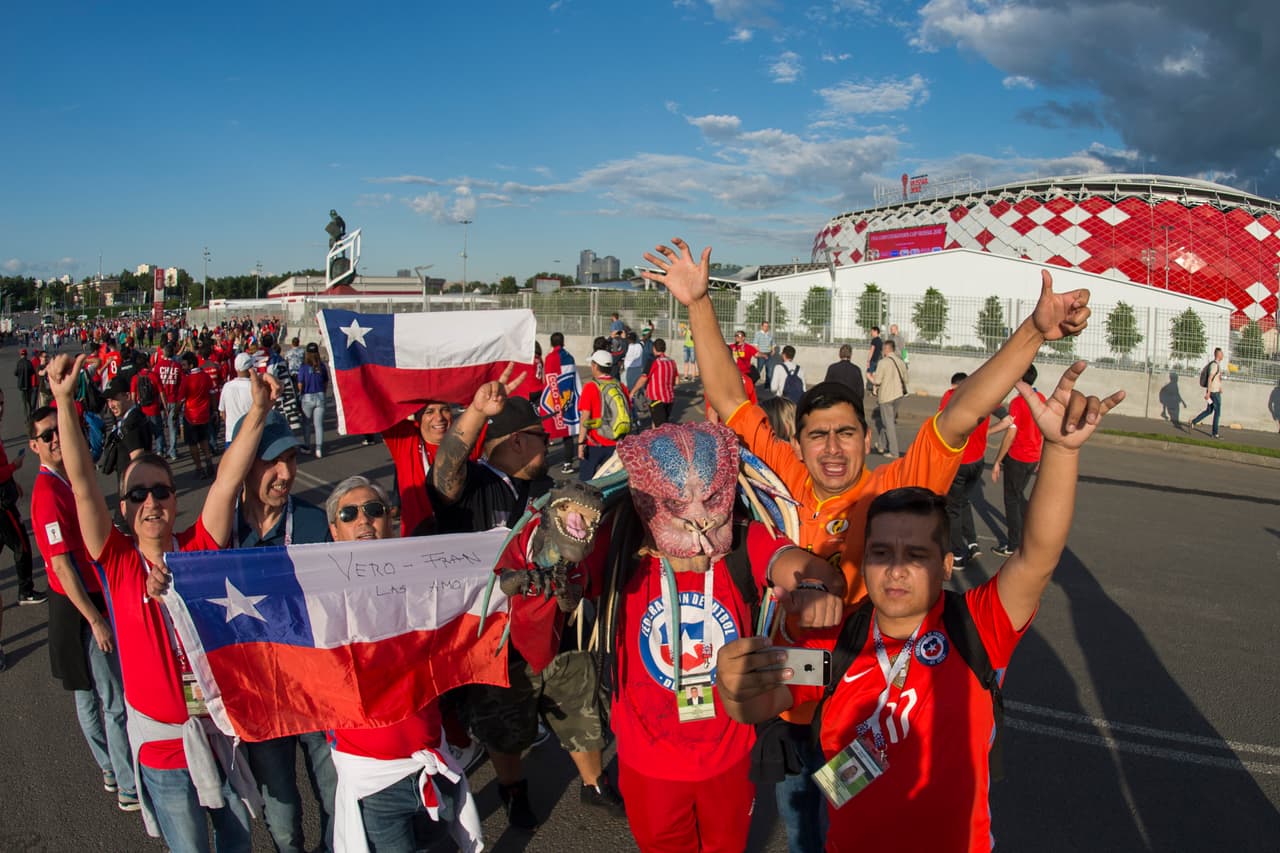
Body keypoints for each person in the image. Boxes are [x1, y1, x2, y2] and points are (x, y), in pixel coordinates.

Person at [644, 238, 1092, 853]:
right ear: (797, 443)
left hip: (860, 681)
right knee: (809, 825)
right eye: (818, 435)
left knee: (863, 807)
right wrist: (699, 303)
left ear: (866, 437)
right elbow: (728, 399)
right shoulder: (784, 476)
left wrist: (1035, 332)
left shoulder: (893, 494)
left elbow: (962, 414)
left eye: (847, 433)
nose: (832, 448)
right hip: (809, 689)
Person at [717, 362, 1124, 853]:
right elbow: (757, 701)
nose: (896, 569)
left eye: (916, 554)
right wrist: (734, 680)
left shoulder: (976, 626)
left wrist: (1060, 451)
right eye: (880, 553)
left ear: (947, 564)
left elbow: (1037, 556)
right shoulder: (835, 644)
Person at [47, 351, 273, 853]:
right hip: (163, 752)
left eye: (161, 492)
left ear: (174, 500)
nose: (150, 502)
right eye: (137, 495)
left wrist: (258, 413)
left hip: (216, 738)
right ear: (123, 508)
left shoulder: (198, 549)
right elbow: (83, 487)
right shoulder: (117, 561)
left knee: (238, 843)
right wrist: (64, 401)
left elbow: (227, 482)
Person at [325, 475, 483, 853]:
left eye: (373, 510)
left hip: (432, 762)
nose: (364, 520)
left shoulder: (423, 579)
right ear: (334, 530)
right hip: (375, 782)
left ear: (390, 519)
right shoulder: (319, 595)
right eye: (349, 514)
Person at [229, 410, 338, 853]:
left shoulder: (314, 523)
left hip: (317, 693)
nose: (286, 473)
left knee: (335, 799)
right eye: (272, 462)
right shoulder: (221, 530)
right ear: (243, 464)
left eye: (291, 459)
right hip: (260, 698)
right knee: (282, 817)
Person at [27, 405, 137, 810]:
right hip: (79, 606)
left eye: (59, 429)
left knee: (88, 695)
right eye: (47, 434)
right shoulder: (47, 494)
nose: (56, 438)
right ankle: (127, 783)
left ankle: (110, 768)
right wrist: (95, 620)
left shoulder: (65, 480)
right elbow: (60, 565)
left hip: (80, 600)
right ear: (34, 445)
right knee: (110, 699)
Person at [937, 373, 1012, 568]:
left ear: (955, 385)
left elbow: (940, 424)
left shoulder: (951, 396)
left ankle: (957, 554)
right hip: (978, 461)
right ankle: (972, 543)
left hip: (959, 461)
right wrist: (986, 432)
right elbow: (1008, 421)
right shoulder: (985, 396)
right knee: (964, 501)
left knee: (952, 508)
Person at [991, 365, 1046, 557]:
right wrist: (1040, 455)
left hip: (1018, 457)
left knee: (1011, 500)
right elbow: (1043, 430)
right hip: (1033, 457)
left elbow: (1011, 434)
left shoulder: (1018, 402)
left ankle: (1013, 544)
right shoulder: (1040, 398)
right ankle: (1029, 533)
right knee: (1019, 495)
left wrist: (998, 460)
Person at [577, 351, 628, 481]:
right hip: (616, 442)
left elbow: (585, 417)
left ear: (595, 366)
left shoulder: (590, 387)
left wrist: (581, 443)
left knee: (586, 482)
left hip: (594, 442)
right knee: (609, 482)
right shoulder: (621, 386)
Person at [102, 377, 153, 476]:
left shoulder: (131, 424)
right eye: (108, 400)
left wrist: (131, 483)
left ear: (127, 396)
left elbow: (137, 461)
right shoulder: (135, 416)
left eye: (114, 399)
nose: (111, 405)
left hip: (131, 480)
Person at [178, 351, 215, 478]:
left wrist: (175, 413)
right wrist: (214, 410)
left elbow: (180, 400)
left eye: (184, 365)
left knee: (193, 444)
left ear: (191, 365)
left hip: (191, 416)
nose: (182, 367)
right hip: (204, 415)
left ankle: (199, 468)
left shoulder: (187, 380)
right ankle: (209, 461)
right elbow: (212, 393)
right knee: (204, 440)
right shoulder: (206, 376)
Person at [869, 340, 909, 459]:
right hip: (898, 395)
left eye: (883, 349)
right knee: (887, 421)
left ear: (886, 350)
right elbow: (906, 379)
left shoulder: (883, 362)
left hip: (886, 396)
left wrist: (871, 378)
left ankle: (894, 451)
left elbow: (877, 381)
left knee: (889, 423)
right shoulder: (900, 362)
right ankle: (881, 444)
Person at [629, 338, 678, 427]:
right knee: (658, 422)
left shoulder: (653, 361)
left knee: (660, 428)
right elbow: (677, 381)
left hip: (657, 398)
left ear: (654, 348)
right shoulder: (672, 361)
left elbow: (643, 378)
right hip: (669, 398)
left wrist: (633, 391)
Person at [297, 343, 329, 457]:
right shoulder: (322, 366)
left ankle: (307, 445)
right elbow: (325, 381)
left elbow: (300, 383)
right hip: (320, 395)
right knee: (318, 425)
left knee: (306, 423)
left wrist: (300, 394)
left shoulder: (304, 367)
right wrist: (323, 392)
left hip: (307, 396)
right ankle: (318, 449)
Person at [217, 353, 255, 446]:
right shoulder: (254, 388)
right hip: (251, 437)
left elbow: (222, 412)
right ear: (250, 368)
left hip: (231, 435)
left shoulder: (227, 386)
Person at [1189, 347, 1225, 439]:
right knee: (1217, 413)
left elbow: (1216, 378)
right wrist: (1208, 393)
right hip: (1214, 393)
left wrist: (1220, 387)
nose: (1223, 355)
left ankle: (1193, 422)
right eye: (1222, 353)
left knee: (1209, 410)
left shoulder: (1217, 365)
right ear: (1218, 355)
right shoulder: (1214, 365)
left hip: (1214, 391)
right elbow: (1210, 378)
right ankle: (1215, 433)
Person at [15, 349, 36, 419]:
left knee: (24, 402)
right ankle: (30, 414)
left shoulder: (19, 363)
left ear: (21, 355)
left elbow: (15, 373)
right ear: (26, 355)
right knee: (29, 400)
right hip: (29, 384)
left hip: (21, 385)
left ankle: (27, 416)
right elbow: (33, 372)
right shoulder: (29, 363)